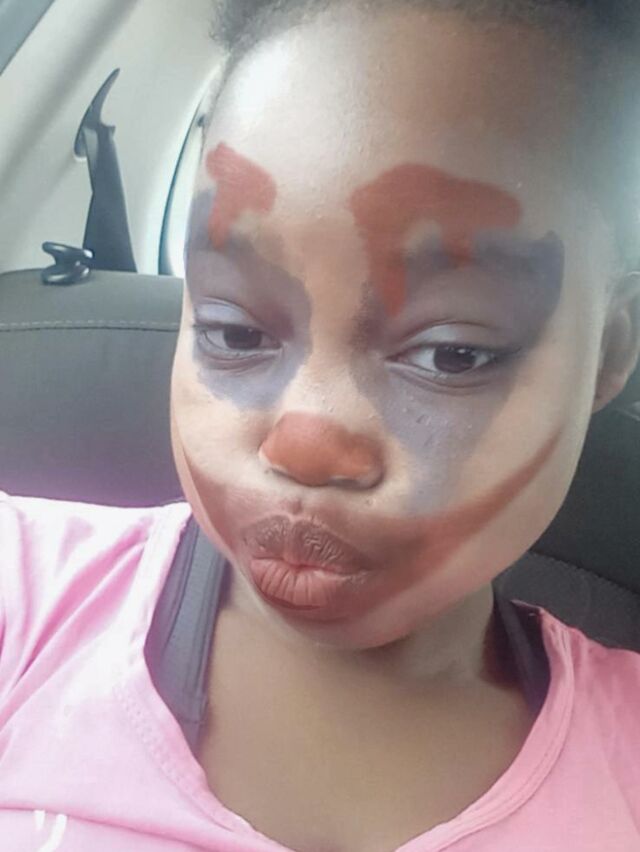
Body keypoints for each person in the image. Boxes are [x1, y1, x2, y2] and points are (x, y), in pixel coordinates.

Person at [1, 1, 640, 850]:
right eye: (235, 333)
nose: (305, 444)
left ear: (608, 351)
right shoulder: (26, 598)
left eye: (452, 354)